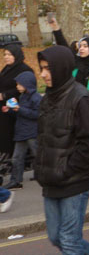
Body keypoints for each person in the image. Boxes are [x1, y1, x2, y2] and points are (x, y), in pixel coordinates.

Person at [35, 45, 89, 254]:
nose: (43, 74)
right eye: (42, 68)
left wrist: (67, 169)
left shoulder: (80, 98)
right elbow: (44, 138)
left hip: (74, 181)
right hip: (51, 181)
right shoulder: (48, 98)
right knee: (56, 237)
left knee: (69, 240)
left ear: (61, 68)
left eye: (47, 68)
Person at [2, 71, 41, 190]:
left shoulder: (36, 98)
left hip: (32, 132)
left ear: (27, 84)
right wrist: (10, 110)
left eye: (19, 84)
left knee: (38, 155)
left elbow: (38, 114)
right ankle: (16, 180)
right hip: (21, 132)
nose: (17, 87)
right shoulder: (22, 96)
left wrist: (19, 109)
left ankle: (44, 175)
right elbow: (20, 113)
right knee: (17, 158)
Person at [0, 45, 33, 174]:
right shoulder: (6, 69)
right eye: (5, 54)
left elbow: (26, 87)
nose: (6, 57)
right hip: (5, 107)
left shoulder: (24, 69)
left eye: (9, 54)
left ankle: (16, 163)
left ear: (16, 55)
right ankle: (8, 162)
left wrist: (5, 95)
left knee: (13, 135)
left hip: (18, 107)